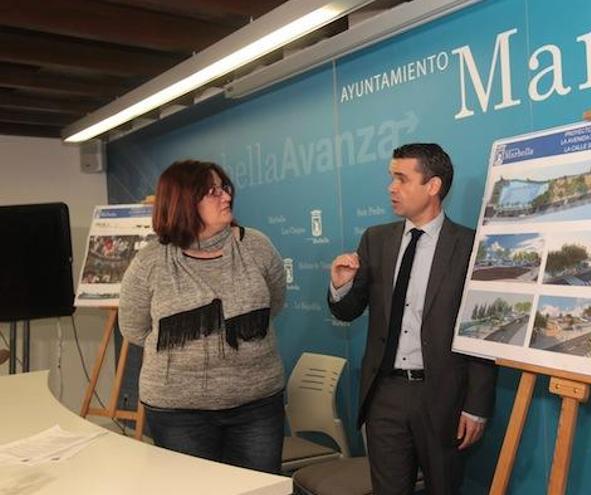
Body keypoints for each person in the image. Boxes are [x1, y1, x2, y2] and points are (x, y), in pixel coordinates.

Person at [328, 143, 497, 494]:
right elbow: (347, 311)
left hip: (444, 396)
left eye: (402, 179)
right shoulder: (376, 241)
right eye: (392, 178)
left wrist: (477, 406)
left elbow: (482, 332)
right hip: (384, 395)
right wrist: (340, 286)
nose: (392, 187)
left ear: (432, 186)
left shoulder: (470, 246)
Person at [119, 160, 287, 473]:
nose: (226, 197)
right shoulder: (150, 262)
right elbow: (133, 328)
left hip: (257, 405)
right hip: (178, 413)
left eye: (225, 188)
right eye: (212, 192)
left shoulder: (257, 247)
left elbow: (274, 302)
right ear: (183, 201)